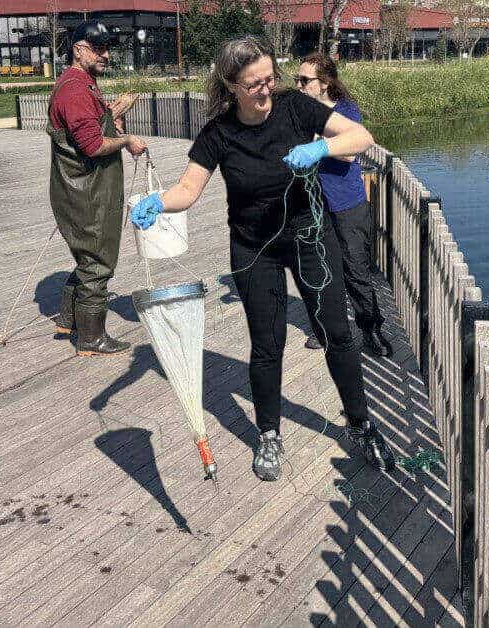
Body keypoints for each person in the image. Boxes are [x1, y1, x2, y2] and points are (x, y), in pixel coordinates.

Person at [130, 36, 395, 481]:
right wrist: (157, 202)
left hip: (311, 237)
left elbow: (360, 136)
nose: (266, 90)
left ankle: (361, 424)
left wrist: (320, 148)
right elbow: (188, 189)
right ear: (231, 85)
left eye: (270, 79)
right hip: (255, 249)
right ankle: (269, 433)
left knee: (337, 334)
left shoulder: (295, 107)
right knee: (268, 344)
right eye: (254, 84)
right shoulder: (219, 133)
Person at [48, 21, 145, 357]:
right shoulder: (74, 90)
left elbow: (91, 128)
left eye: (108, 48)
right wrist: (127, 140)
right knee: (97, 262)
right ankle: (91, 338)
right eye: (98, 48)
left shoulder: (83, 83)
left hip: (89, 188)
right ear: (79, 50)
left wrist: (114, 113)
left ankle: (67, 319)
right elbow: (92, 146)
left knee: (90, 257)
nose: (106, 55)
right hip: (85, 191)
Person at [294, 53, 391, 358]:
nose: (299, 85)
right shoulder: (300, 109)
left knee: (355, 271)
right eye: (297, 79)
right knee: (321, 270)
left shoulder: (346, 110)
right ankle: (327, 330)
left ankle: (370, 330)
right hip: (313, 205)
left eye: (305, 80)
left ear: (323, 83)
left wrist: (315, 145)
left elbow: (349, 154)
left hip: (347, 205)